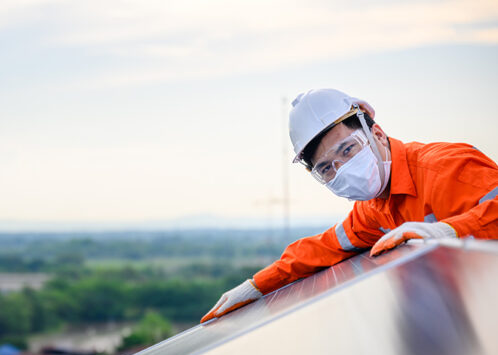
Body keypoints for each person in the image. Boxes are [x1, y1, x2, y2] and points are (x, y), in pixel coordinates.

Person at [201, 88, 498, 323]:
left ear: (377, 134)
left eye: (347, 149)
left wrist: (448, 232)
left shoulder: (447, 168)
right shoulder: (373, 209)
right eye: (327, 168)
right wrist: (257, 285)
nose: (342, 168)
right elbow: (325, 247)